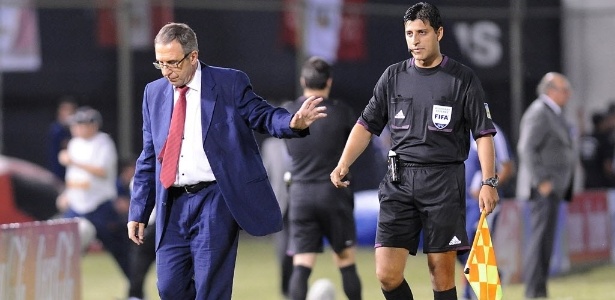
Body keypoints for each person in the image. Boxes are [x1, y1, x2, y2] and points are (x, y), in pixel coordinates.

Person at [126, 22, 327, 300]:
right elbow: (149, 156)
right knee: (169, 287)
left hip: (214, 200)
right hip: (171, 204)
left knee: (211, 288)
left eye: (172, 62)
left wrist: (292, 121)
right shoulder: (153, 93)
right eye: (160, 63)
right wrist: (138, 209)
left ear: (193, 56)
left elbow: (262, 114)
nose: (166, 71)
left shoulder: (228, 83)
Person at [329, 3, 499, 299]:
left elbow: (483, 134)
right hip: (399, 180)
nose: (415, 40)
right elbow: (366, 124)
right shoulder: (393, 76)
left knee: (440, 273)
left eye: (422, 32)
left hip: (443, 182)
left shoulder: (463, 79)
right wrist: (344, 162)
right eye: (409, 33)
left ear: (439, 33)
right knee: (386, 274)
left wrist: (488, 181)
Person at [283, 56, 362, 300]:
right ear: (329, 82)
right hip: (333, 193)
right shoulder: (342, 112)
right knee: (345, 260)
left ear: (303, 80)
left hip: (300, 194)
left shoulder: (288, 112)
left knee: (302, 263)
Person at [516, 72, 576, 299]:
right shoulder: (539, 112)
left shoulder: (553, 112)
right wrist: (541, 180)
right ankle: (533, 291)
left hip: (553, 188)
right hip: (541, 189)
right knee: (539, 240)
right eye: (564, 90)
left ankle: (540, 289)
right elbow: (526, 148)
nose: (568, 94)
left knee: (546, 241)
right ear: (551, 90)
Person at [57, 106, 130, 278]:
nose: (75, 128)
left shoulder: (103, 142)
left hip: (100, 205)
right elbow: (73, 176)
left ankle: (135, 292)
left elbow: (101, 171)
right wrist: (67, 193)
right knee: (65, 249)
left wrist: (73, 161)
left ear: (93, 125)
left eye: (79, 124)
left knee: (120, 250)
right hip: (76, 205)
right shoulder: (74, 143)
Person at [457, 122, 514, 300]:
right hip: (458, 201)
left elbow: (507, 167)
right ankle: (492, 277)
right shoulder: (454, 127)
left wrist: (488, 186)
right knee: (458, 247)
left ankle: (474, 294)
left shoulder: (491, 130)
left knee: (476, 245)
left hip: (481, 204)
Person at [261, 135, 294, 299]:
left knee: (299, 250)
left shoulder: (300, 141)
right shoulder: (270, 145)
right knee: (283, 251)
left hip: (299, 204)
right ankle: (285, 288)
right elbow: (264, 172)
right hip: (279, 205)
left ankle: (296, 287)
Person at [48, 97, 77, 181]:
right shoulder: (56, 129)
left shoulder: (76, 130)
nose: (68, 113)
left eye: (70, 110)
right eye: (65, 109)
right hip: (58, 171)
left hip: (74, 174)